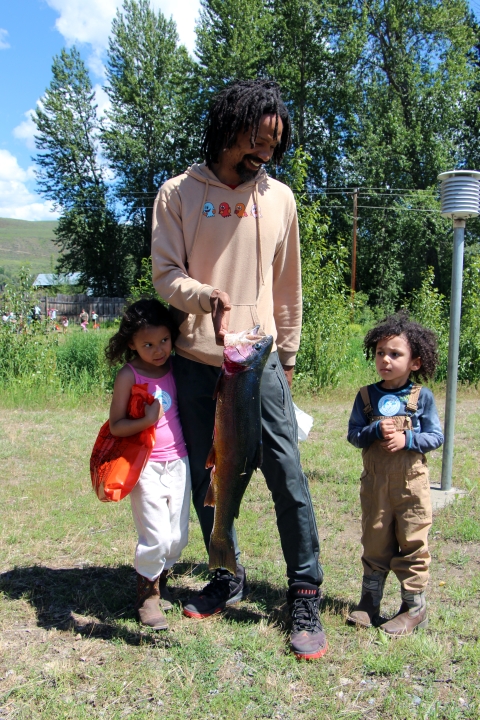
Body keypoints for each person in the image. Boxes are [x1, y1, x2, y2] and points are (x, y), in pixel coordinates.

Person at [151, 80, 326, 660]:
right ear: (227, 128)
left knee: (286, 474)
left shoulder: (280, 199)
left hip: (260, 363)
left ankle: (304, 590)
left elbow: (289, 290)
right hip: (197, 363)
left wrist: (291, 356)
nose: (265, 154)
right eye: (256, 140)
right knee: (209, 478)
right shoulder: (178, 193)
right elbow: (165, 274)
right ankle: (226, 575)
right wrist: (207, 297)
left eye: (275, 144)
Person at [347, 312, 444, 636]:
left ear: (415, 362)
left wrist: (408, 439)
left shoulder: (422, 397)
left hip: (411, 487)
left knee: (412, 541)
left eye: (395, 354)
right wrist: (374, 429)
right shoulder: (366, 396)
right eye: (380, 353)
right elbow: (354, 435)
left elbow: (436, 436)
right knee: (375, 540)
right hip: (376, 485)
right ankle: (369, 603)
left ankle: (413, 607)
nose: (385, 360)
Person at [105, 298, 191, 630]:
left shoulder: (177, 368)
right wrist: (148, 420)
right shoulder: (129, 375)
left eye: (164, 341)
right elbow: (116, 425)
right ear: (132, 343)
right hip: (145, 466)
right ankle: (147, 597)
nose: (158, 350)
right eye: (148, 344)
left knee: (177, 537)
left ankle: (161, 579)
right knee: (155, 533)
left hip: (179, 462)